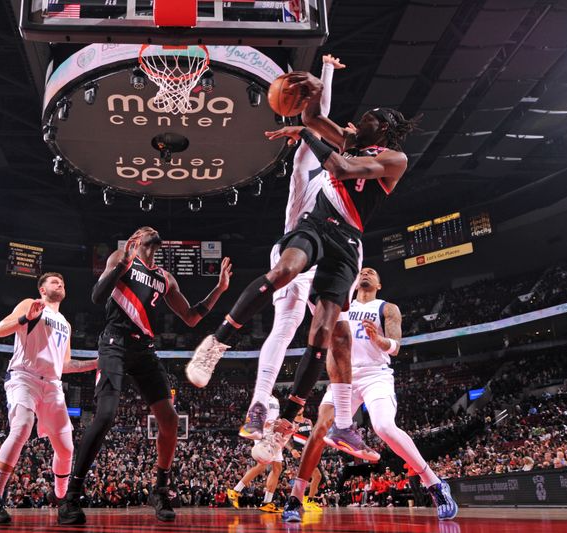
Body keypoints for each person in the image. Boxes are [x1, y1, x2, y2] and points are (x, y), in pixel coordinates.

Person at [187, 66, 419, 465]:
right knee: (284, 272)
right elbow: (312, 118)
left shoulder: (394, 158)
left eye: (365, 122)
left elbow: (341, 168)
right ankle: (217, 343)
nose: (355, 125)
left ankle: (284, 426)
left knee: (323, 332)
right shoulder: (348, 140)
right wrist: (313, 89)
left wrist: (308, 136)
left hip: (347, 241)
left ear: (382, 129)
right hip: (318, 224)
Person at [59, 226, 232, 525]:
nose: (150, 229)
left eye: (152, 229)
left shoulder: (165, 278)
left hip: (144, 349)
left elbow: (191, 317)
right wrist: (122, 263)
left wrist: (219, 289)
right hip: (114, 343)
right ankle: (71, 496)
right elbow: (97, 297)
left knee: (170, 419)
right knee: (105, 415)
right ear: (136, 239)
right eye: (143, 229)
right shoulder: (121, 258)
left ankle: (160, 490)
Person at [281, 267, 458, 522]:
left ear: (379, 283)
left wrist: (380, 341)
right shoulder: (343, 304)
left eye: (372, 272)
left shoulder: (387, 308)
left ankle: (434, 483)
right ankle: (295, 498)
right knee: (320, 428)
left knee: (384, 427)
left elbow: (396, 346)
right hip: (344, 378)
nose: (365, 273)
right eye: (362, 271)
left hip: (376, 374)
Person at [238, 54, 344, 442]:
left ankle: (339, 419)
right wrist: (327, 71)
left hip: (323, 260)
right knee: (285, 330)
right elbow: (318, 116)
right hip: (293, 252)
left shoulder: (343, 176)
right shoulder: (307, 162)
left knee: (336, 333)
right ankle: (260, 402)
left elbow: (325, 125)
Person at [0, 272, 98, 523]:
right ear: (42, 289)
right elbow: (0, 330)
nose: (61, 284)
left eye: (63, 282)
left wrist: (97, 363)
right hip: (25, 377)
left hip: (53, 386)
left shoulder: (65, 323)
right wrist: (26, 317)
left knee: (66, 450)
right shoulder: (30, 304)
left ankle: (62, 499)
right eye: (55, 281)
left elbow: (65, 364)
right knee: (22, 426)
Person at [227, 396, 284, 513]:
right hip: (263, 433)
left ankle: (267, 502)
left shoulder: (275, 400)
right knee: (262, 465)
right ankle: (235, 491)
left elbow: (276, 417)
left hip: (274, 434)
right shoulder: (260, 397)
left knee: (277, 468)